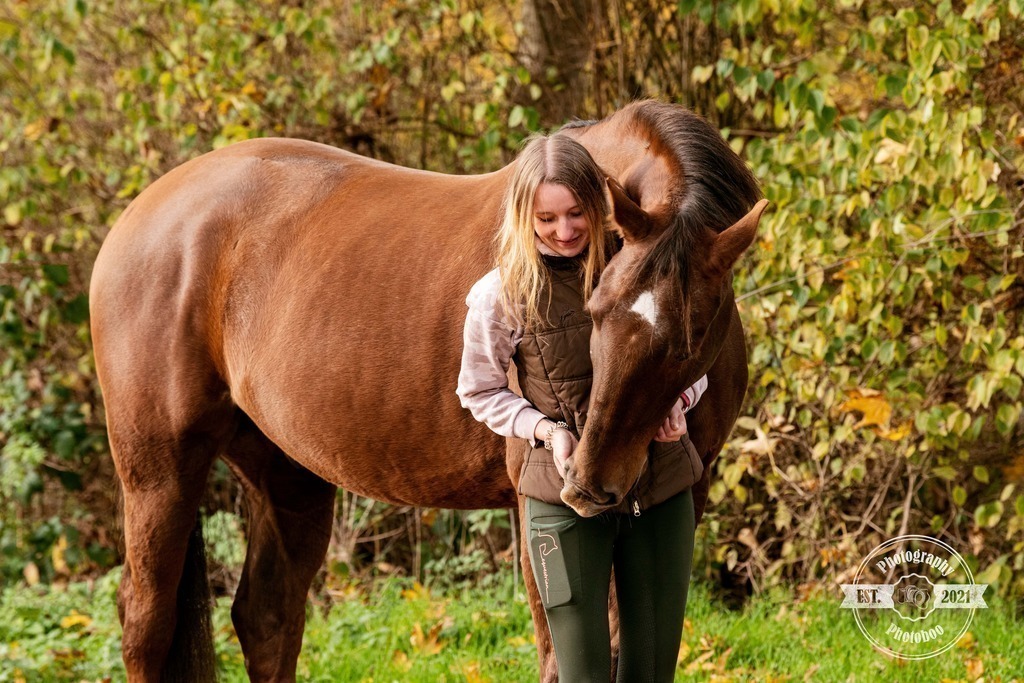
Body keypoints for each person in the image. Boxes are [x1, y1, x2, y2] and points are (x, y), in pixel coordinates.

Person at [457, 133, 707, 682]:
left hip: (658, 488)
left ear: (598, 207)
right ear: (524, 216)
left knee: (651, 672)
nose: (564, 231)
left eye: (576, 214)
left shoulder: (639, 270)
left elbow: (691, 359)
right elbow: (477, 390)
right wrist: (545, 431)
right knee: (581, 674)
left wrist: (677, 402)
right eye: (546, 219)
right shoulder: (502, 294)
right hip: (561, 495)